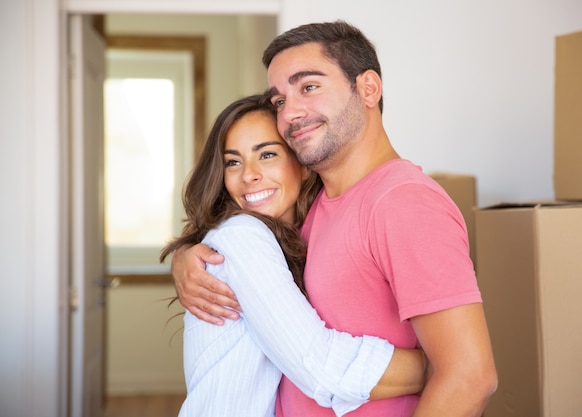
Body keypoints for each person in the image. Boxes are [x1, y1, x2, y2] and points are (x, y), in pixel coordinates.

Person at [172, 21, 498, 417]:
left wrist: (434, 368)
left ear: (368, 89)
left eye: (308, 87)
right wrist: (192, 252)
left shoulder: (403, 202)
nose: (290, 112)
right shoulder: (314, 207)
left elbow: (469, 378)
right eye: (279, 101)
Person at [160, 94, 427, 417]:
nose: (249, 175)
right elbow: (320, 367)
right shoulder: (243, 235)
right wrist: (440, 367)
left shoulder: (299, 235)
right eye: (233, 161)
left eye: (267, 155)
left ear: (302, 166)